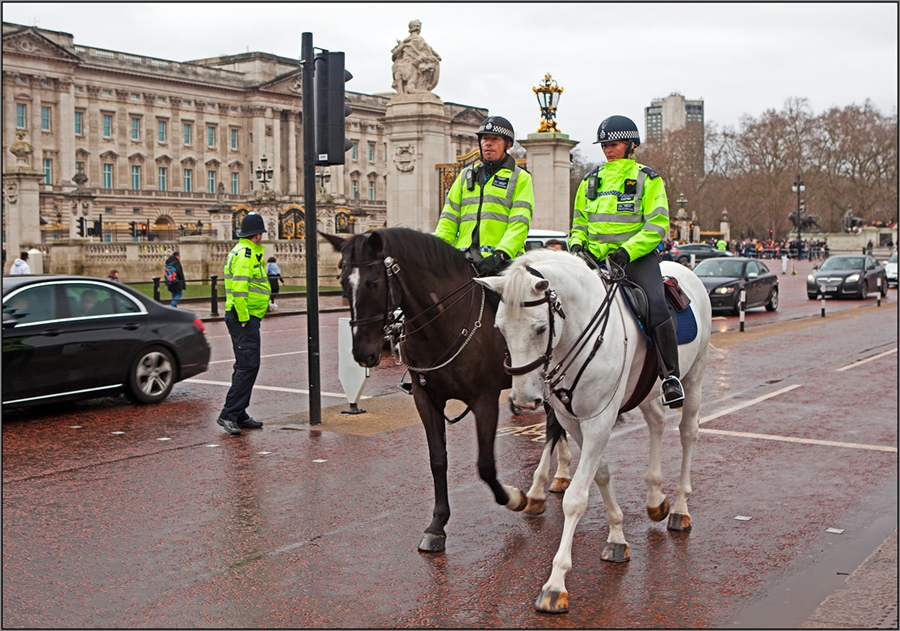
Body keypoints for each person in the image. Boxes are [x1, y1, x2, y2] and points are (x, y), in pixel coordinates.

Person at [568, 114, 684, 408]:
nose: (608, 149)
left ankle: (671, 376)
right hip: (594, 259)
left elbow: (657, 225)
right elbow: (579, 222)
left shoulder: (648, 178)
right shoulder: (589, 180)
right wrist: (577, 244)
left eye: (614, 143)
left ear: (631, 145)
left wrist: (628, 251)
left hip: (635, 259)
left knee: (656, 305)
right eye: (604, 144)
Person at [434, 115, 535, 277]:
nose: (488, 143)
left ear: (508, 145)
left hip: (502, 259)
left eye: (495, 139)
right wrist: (437, 250)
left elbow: (519, 223)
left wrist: (501, 254)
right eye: (484, 139)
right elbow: (448, 220)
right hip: (463, 256)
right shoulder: (465, 175)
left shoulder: (521, 178)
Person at [217, 213, 270, 435]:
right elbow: (239, 288)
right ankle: (229, 413)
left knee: (246, 365)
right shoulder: (246, 254)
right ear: (257, 235)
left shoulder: (242, 251)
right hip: (243, 318)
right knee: (248, 366)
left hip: (245, 316)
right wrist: (245, 316)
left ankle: (239, 412)